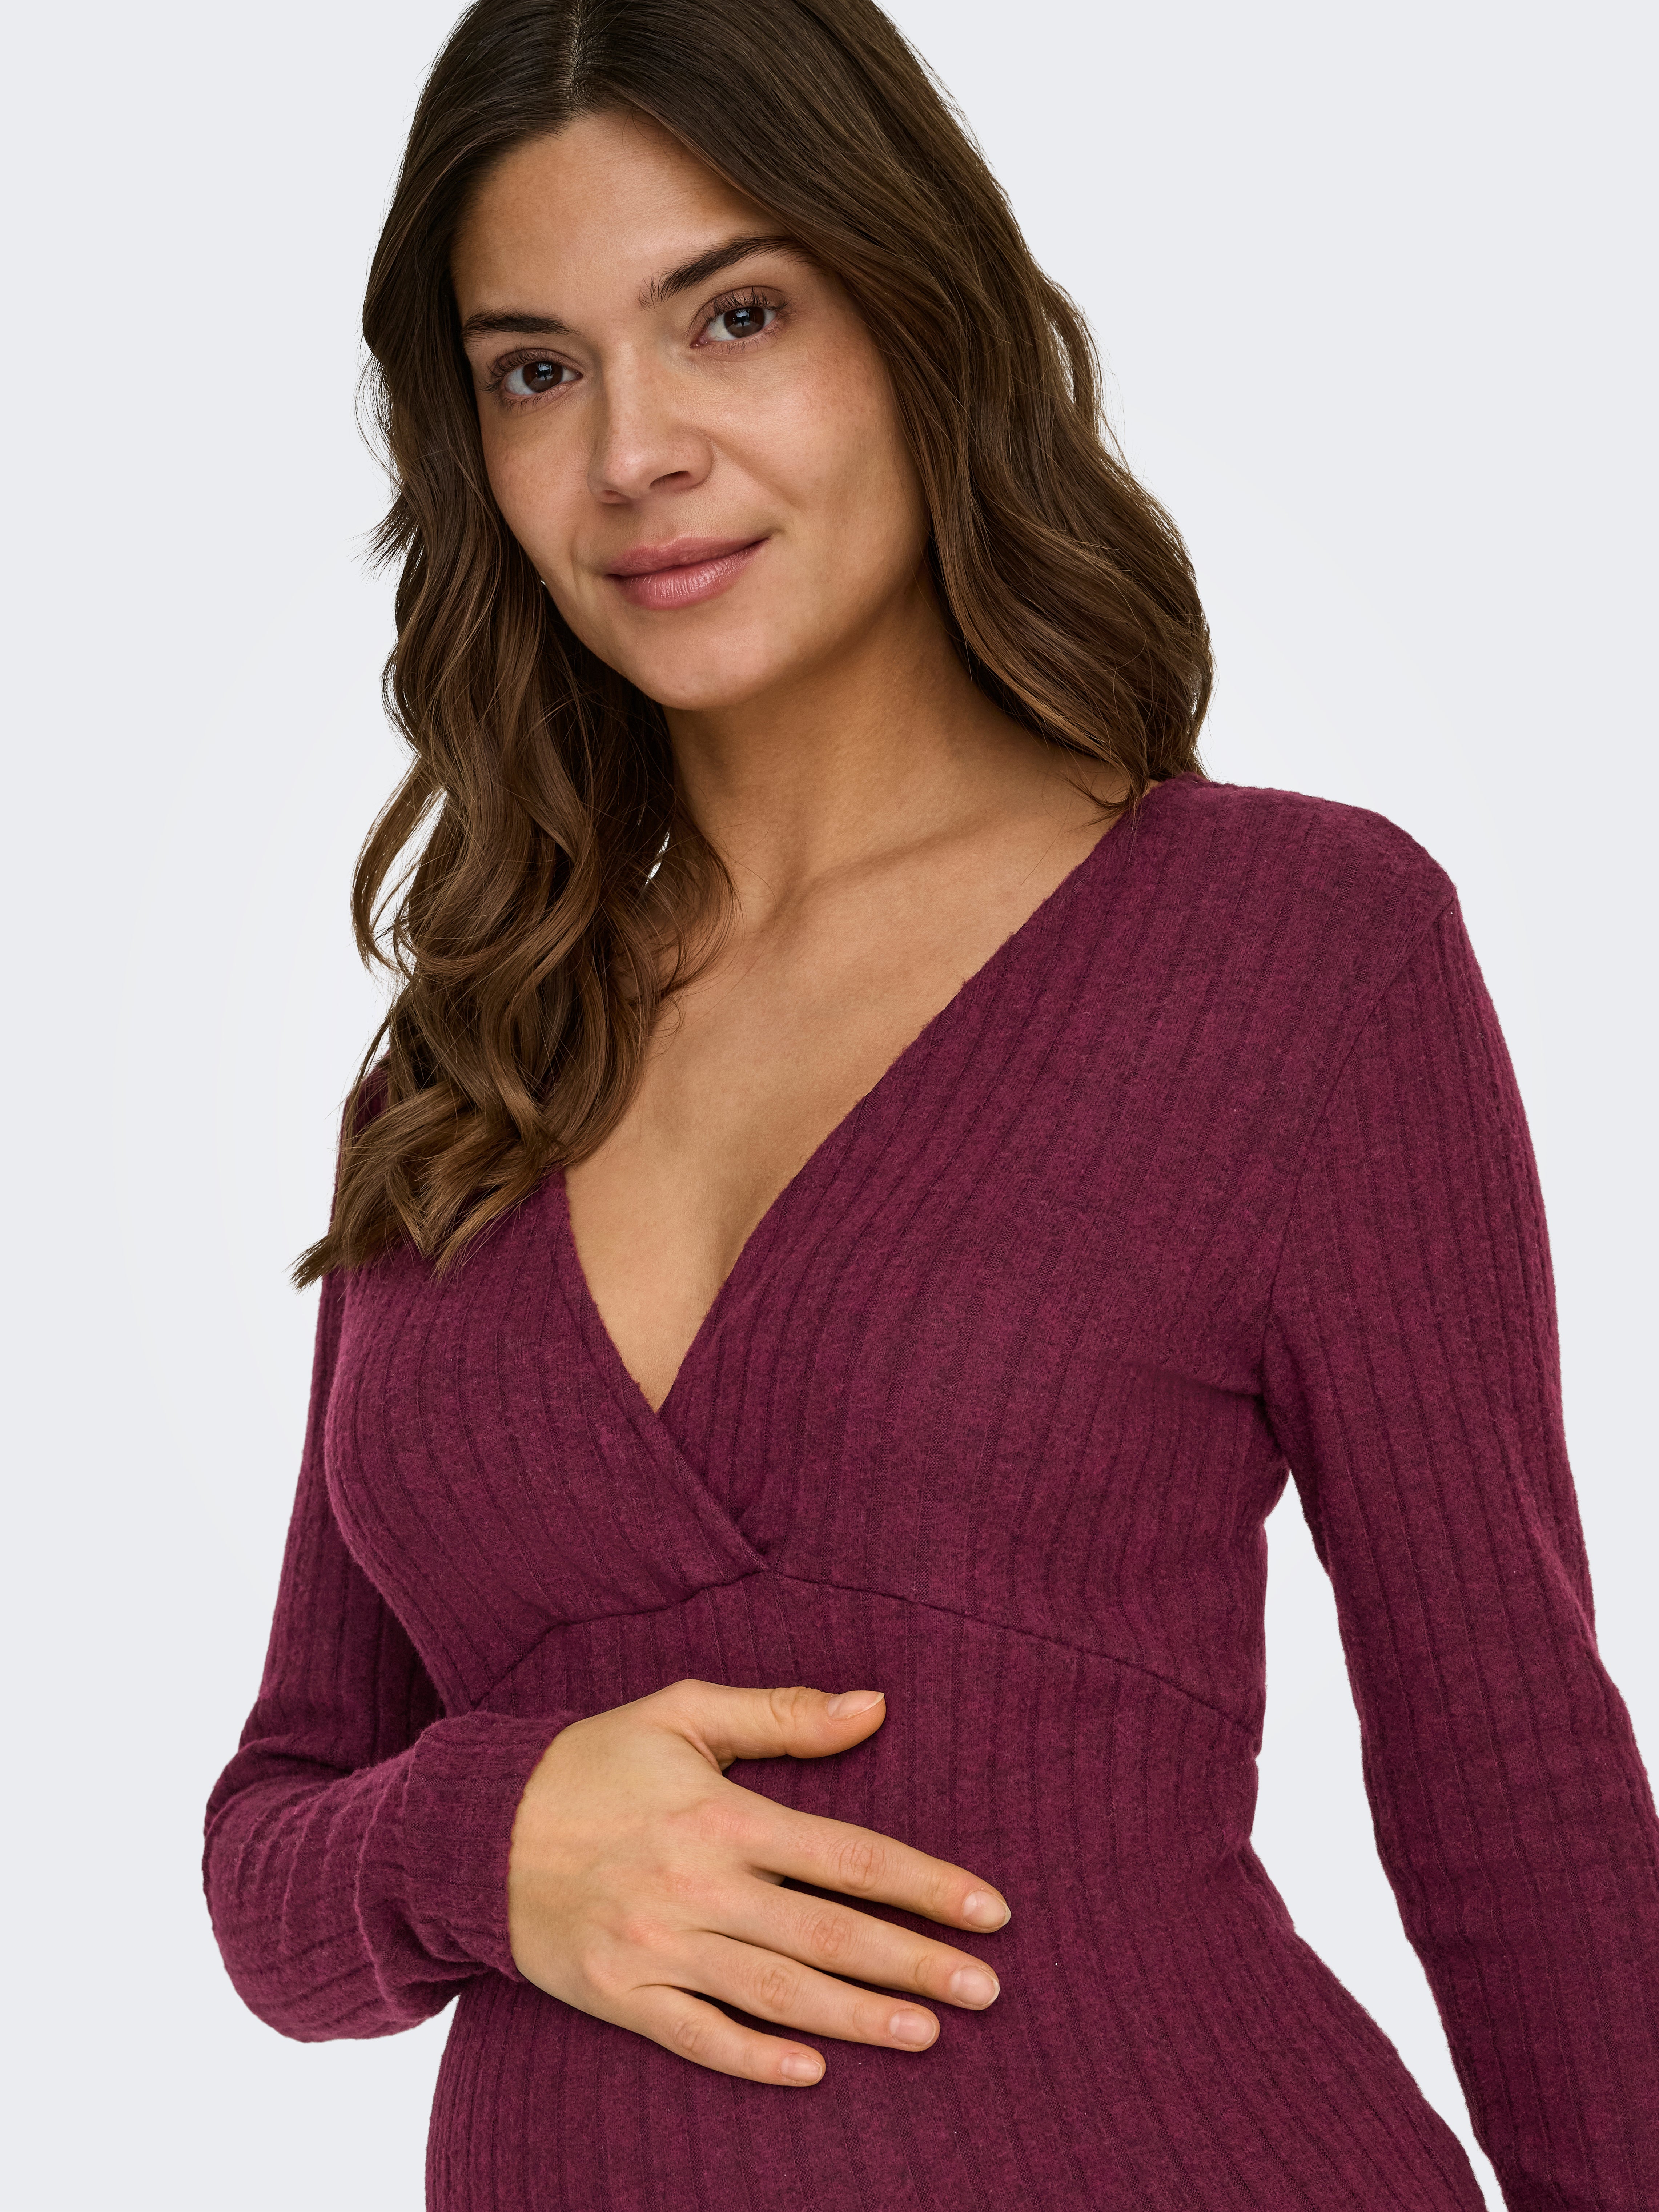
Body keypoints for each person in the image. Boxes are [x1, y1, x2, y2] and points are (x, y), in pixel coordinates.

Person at [202, 2, 1659, 2206]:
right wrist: (480, 1842)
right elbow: (278, 1848)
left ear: (915, 315)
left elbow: (1511, 1776)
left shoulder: (1291, 947)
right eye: (537, 370)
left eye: (735, 316)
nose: (636, 454)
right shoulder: (459, 1076)